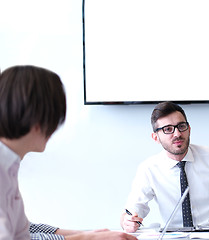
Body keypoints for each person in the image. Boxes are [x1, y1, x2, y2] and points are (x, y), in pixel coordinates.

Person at [0, 65, 136, 240]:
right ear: (37, 118)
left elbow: (25, 231)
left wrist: (86, 234)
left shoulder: (9, 165)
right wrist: (87, 238)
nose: (55, 128)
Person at [120, 101, 209, 233]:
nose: (177, 134)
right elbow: (131, 211)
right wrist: (127, 221)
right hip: (175, 236)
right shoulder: (149, 169)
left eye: (181, 126)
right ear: (155, 137)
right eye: (168, 129)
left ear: (189, 129)